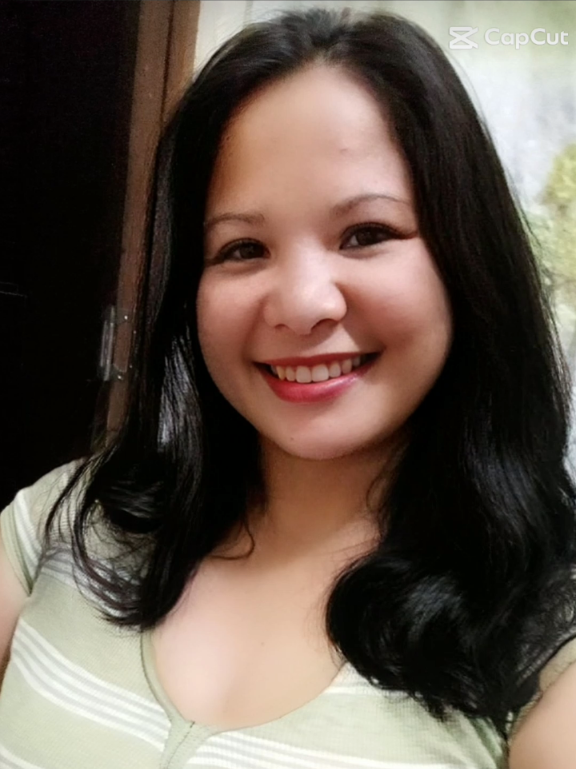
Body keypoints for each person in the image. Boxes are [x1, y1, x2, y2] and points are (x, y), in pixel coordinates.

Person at [1, 6, 575, 767]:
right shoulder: (70, 519)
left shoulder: (547, 637)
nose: (303, 304)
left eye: (367, 234)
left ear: (470, 261)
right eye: (242, 248)